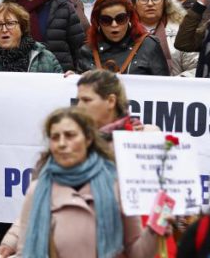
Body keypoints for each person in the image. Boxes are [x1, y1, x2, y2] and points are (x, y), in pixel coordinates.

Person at [10, 107, 160, 257]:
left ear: (88, 139)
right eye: (55, 137)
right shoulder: (38, 190)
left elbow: (137, 253)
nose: (62, 143)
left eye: (70, 135)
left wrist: (155, 229)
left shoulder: (116, 187)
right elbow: (25, 252)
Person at [3, 0, 84, 71]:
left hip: (59, 76)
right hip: (19, 76)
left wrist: (76, 73)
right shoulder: (8, 11)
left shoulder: (63, 7)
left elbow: (80, 49)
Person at [77, 0, 169, 76]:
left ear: (129, 18)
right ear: (97, 22)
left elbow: (164, 85)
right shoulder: (87, 51)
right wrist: (76, 79)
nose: (114, 25)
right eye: (106, 20)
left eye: (120, 18)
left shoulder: (149, 46)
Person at [126, 0, 198, 76]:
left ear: (165, 2)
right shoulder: (123, 32)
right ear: (133, 3)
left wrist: (172, 83)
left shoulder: (181, 31)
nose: (150, 3)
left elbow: (196, 68)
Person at [0, 2, 62, 72]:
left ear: (22, 28)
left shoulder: (46, 59)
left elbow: (61, 90)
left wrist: (67, 80)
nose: (4, 30)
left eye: (10, 23)